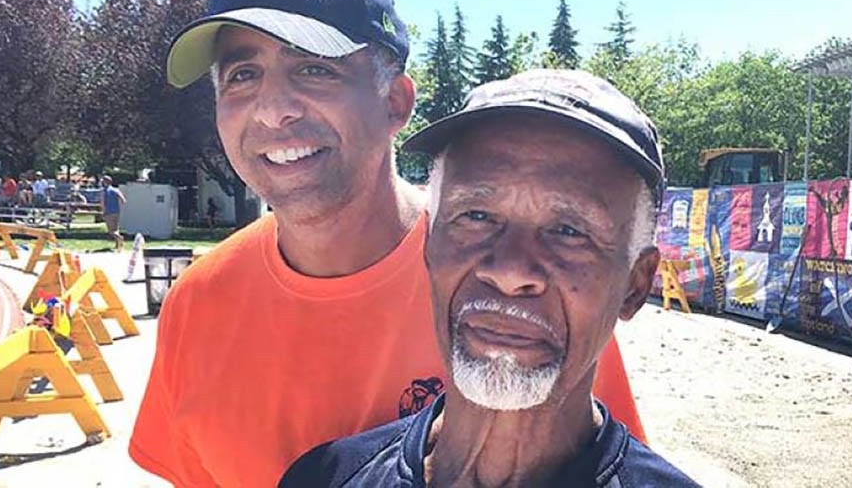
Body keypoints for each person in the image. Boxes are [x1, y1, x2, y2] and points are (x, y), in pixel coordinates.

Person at [130, 0, 644, 488]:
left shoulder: (505, 292)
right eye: (241, 75)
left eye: (314, 69)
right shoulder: (197, 304)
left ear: (396, 101)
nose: (273, 109)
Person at [282, 69, 697, 487]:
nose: (510, 271)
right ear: (429, 244)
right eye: (476, 216)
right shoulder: (325, 478)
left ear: (635, 286)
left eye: (569, 232)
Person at [100, 176, 126, 251]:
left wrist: (103, 212)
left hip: (108, 212)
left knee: (111, 231)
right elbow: (123, 200)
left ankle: (120, 238)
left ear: (105, 182)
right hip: (116, 212)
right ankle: (118, 246)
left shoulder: (104, 191)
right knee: (116, 229)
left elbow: (102, 203)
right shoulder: (116, 190)